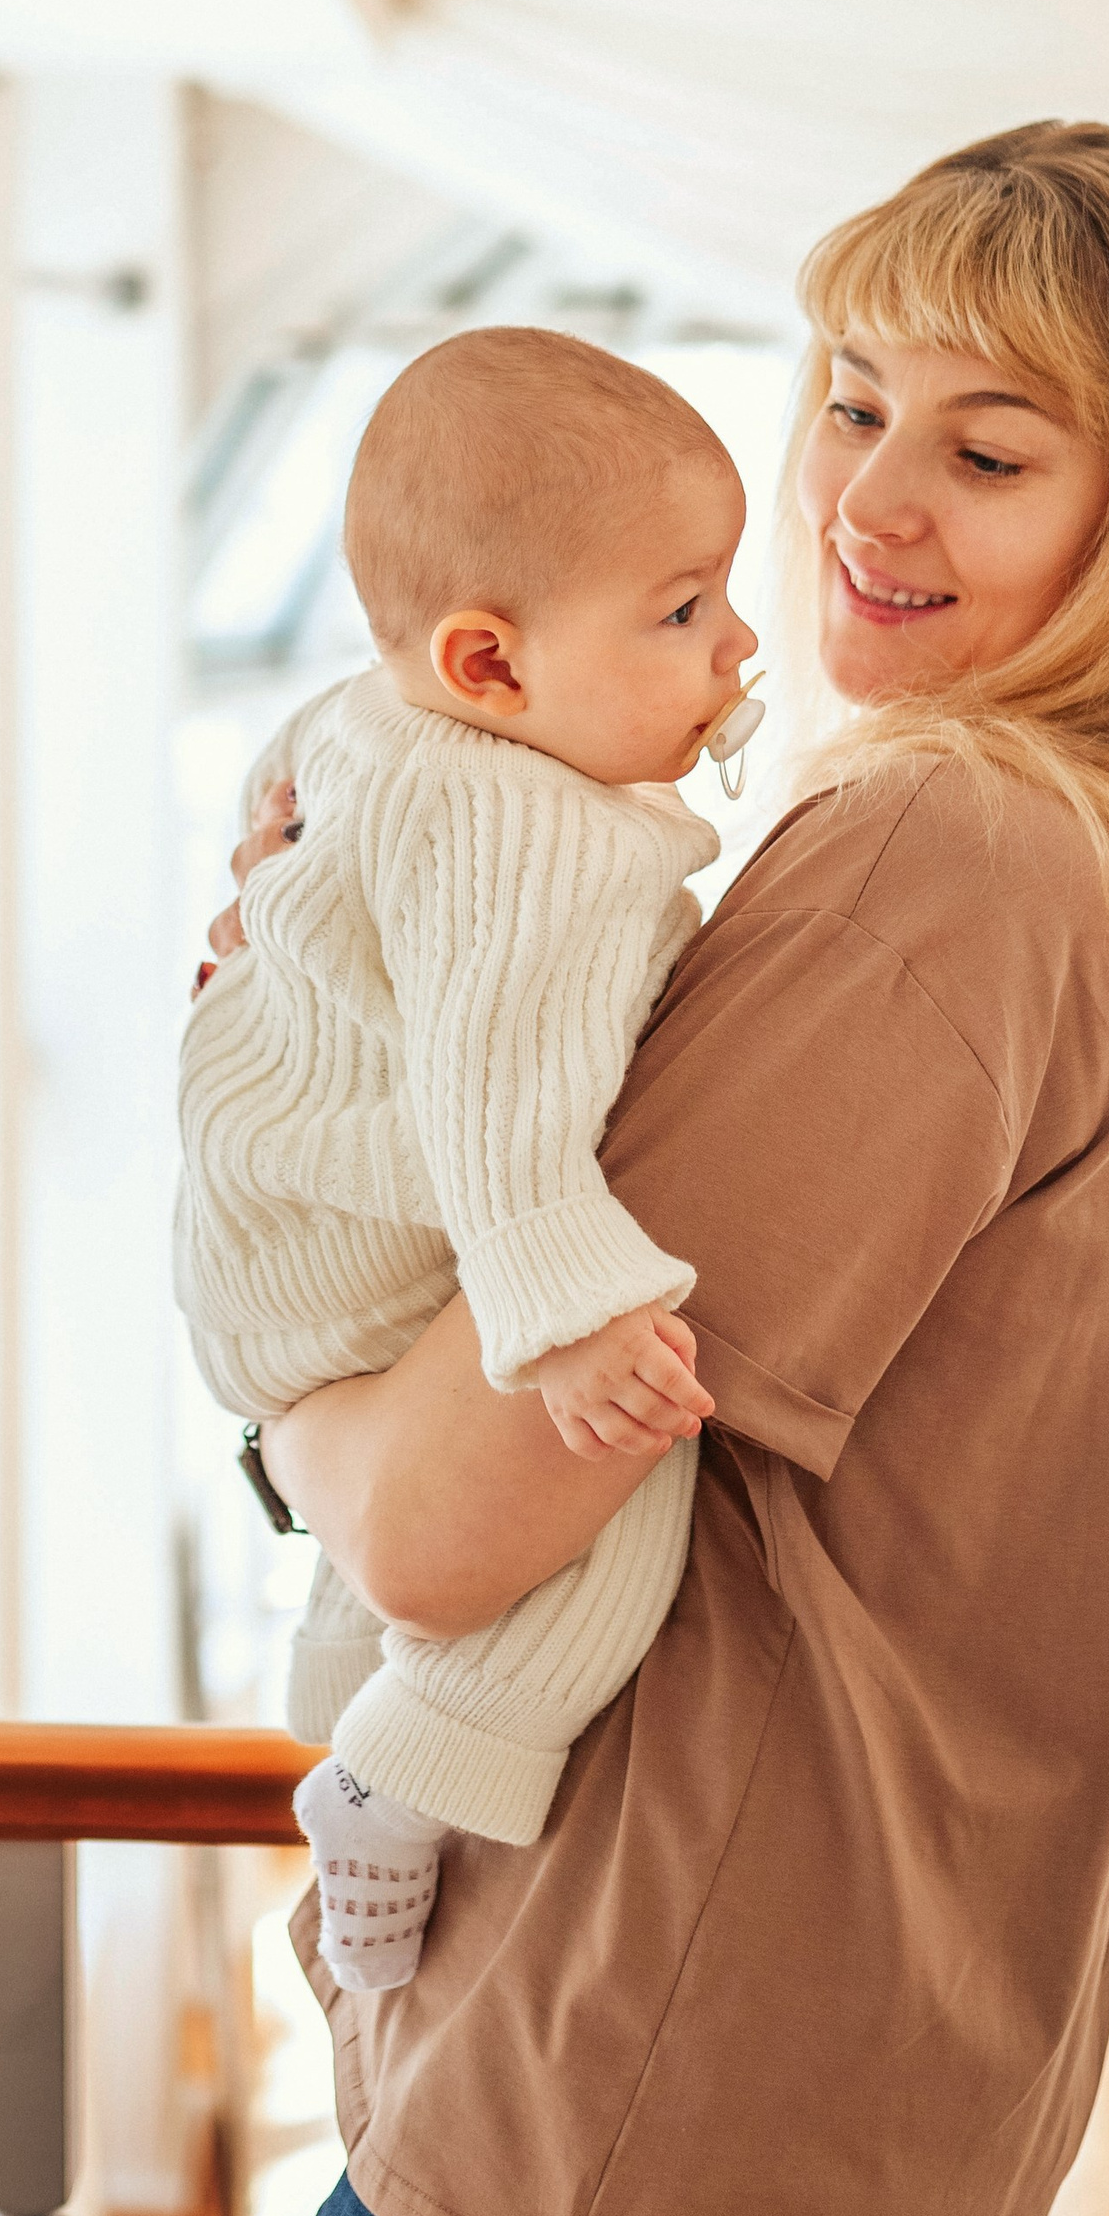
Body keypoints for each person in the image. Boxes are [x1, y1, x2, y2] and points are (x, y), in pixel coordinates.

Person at [188, 123, 1109, 2216]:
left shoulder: (945, 862)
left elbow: (439, 1523)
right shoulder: (1091, 870)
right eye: (851, 400)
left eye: (986, 448)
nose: (863, 500)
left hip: (624, 2144)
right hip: (785, 2150)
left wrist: (280, 1356)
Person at [177, 327, 761, 1989]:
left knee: (449, 1510)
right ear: (491, 666)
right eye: (683, 612)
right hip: (371, 1245)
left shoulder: (379, 716)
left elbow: (278, 783)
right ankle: (400, 1766)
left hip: (275, 1242)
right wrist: (574, 1325)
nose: (736, 645)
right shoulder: (531, 829)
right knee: (629, 1475)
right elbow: (506, 1113)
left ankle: (339, 1692)